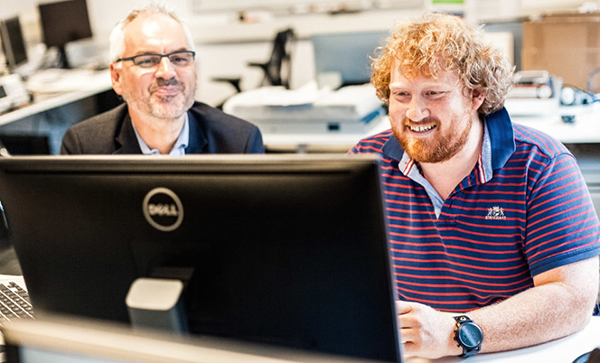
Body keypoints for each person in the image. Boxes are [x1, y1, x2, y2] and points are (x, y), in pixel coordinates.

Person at [349, 13, 600, 359]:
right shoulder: (366, 162)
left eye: (433, 93)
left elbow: (573, 298)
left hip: (511, 354)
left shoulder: (540, 165)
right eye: (401, 94)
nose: (415, 112)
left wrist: (456, 332)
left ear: (476, 95)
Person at [61, 4, 264, 155]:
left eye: (179, 59)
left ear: (195, 73)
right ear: (117, 77)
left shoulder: (240, 143)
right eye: (148, 60)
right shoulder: (84, 147)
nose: (167, 73)